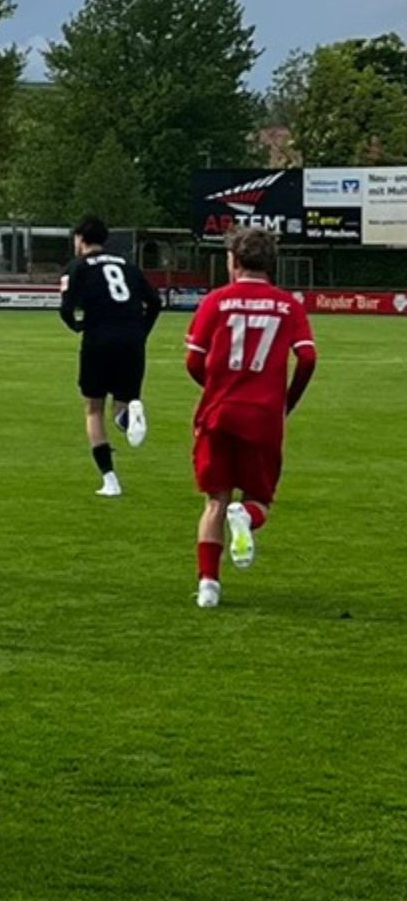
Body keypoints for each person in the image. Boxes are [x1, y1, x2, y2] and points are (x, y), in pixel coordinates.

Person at [184, 229, 317, 610]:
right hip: (263, 416)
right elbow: (307, 357)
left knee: (214, 501)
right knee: (258, 498)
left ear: (234, 261)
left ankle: (209, 585)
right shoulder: (288, 305)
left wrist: (213, 386)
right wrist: (285, 401)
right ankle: (246, 517)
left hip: (219, 412)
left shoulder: (216, 301)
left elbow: (194, 359)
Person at [60, 216, 162, 498]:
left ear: (80, 238)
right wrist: (141, 332)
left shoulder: (77, 267)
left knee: (94, 410)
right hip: (131, 342)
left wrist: (77, 326)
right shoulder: (127, 265)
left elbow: (66, 309)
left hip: (98, 340)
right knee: (120, 406)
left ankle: (110, 480)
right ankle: (130, 417)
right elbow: (155, 302)